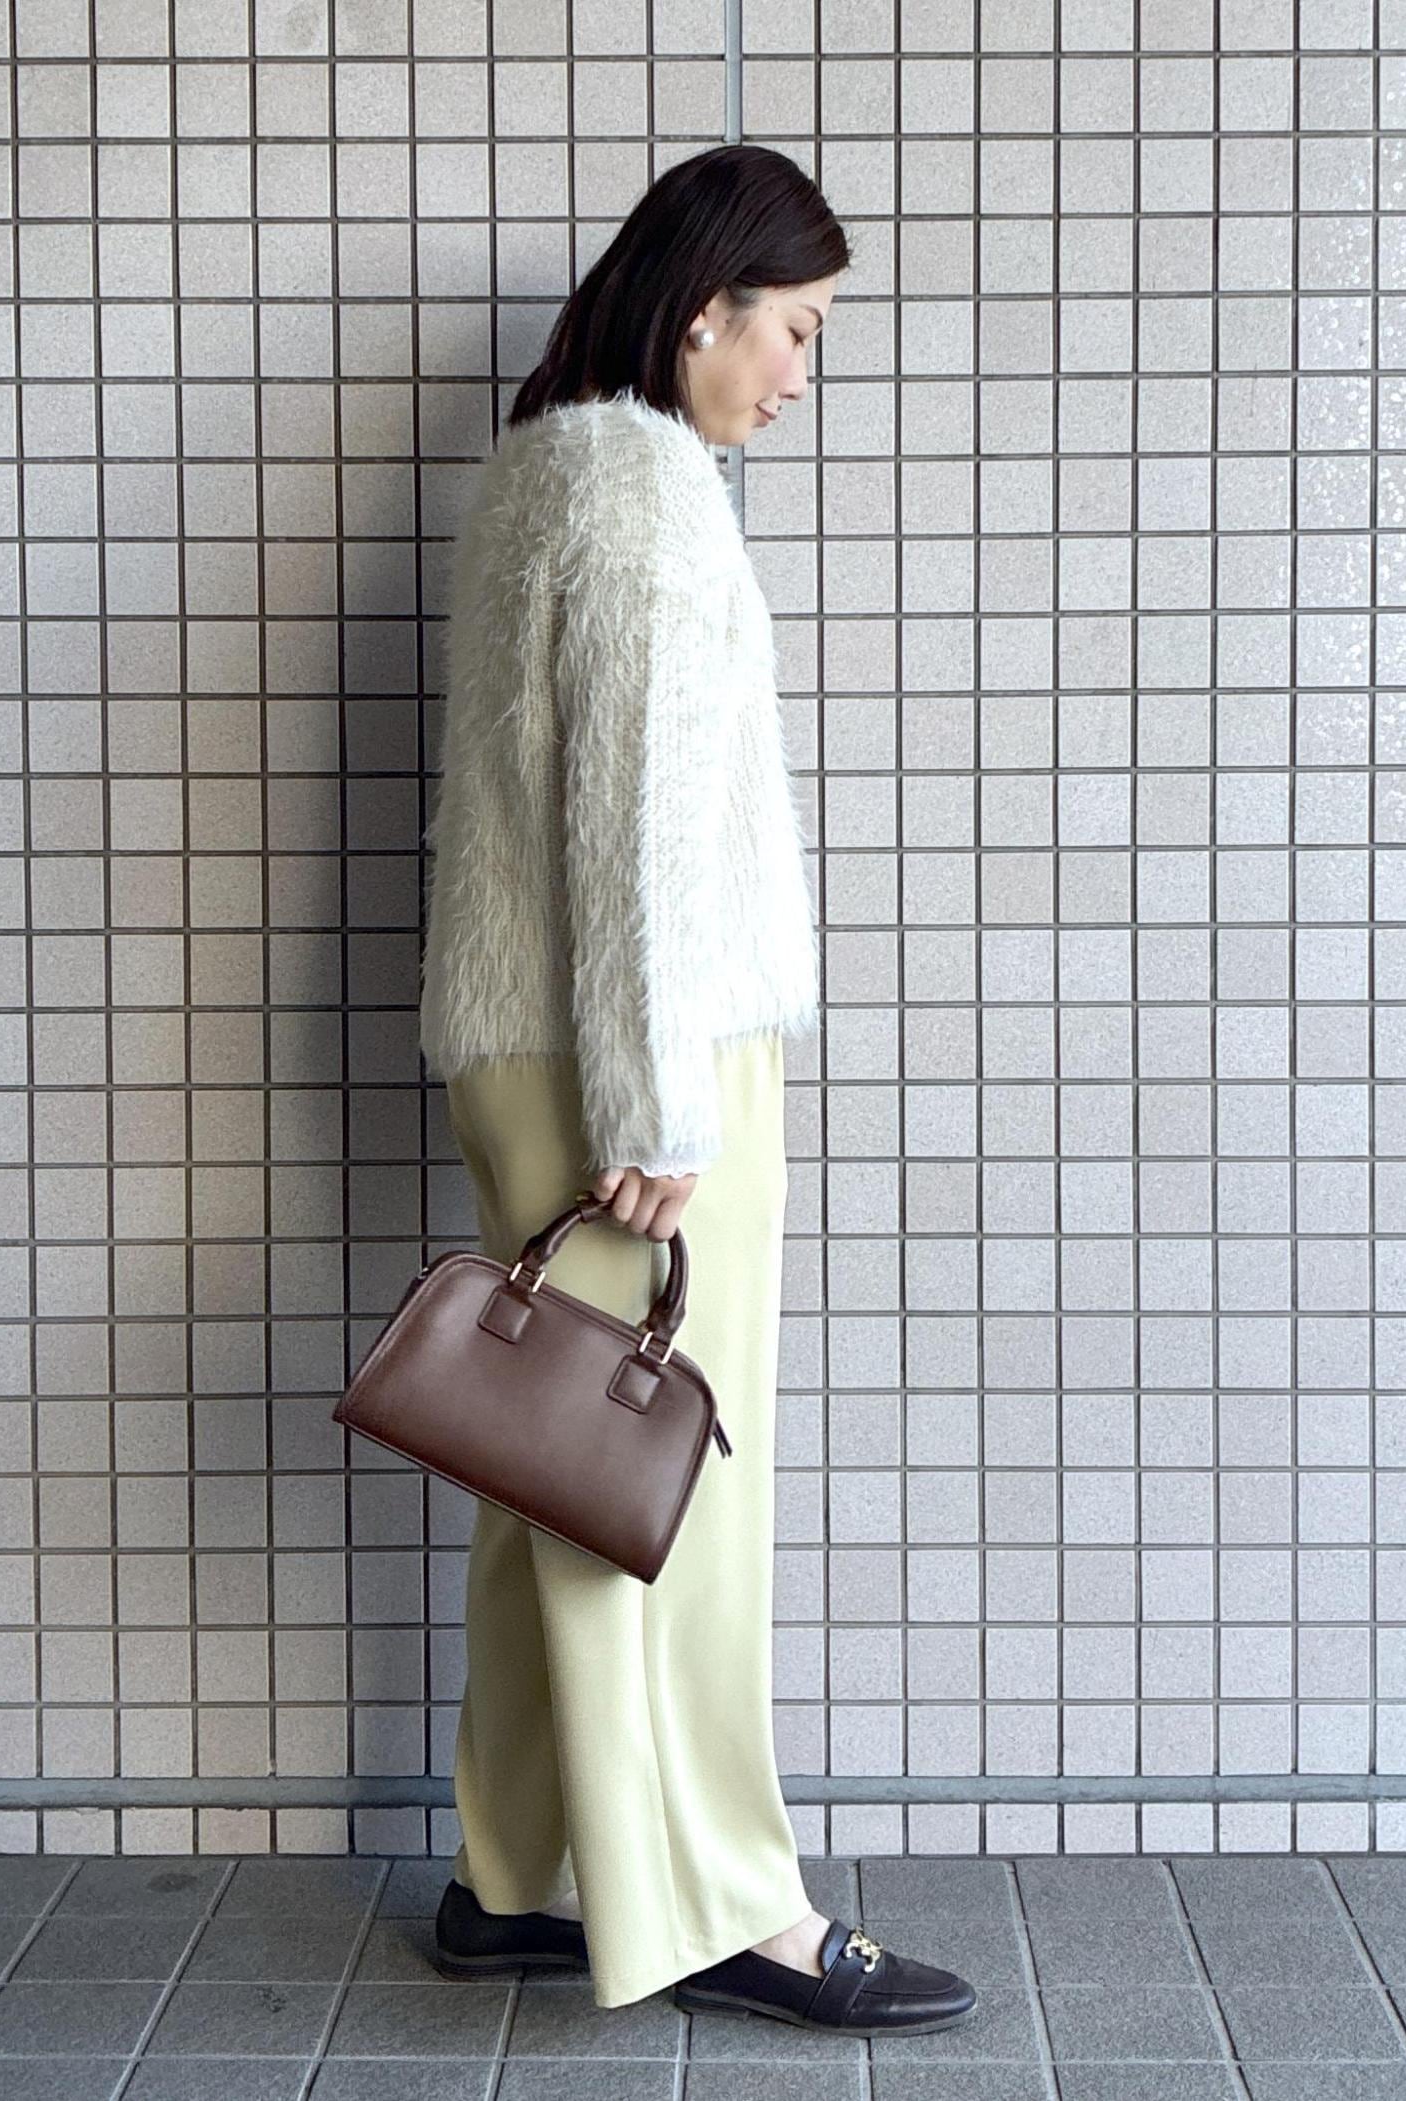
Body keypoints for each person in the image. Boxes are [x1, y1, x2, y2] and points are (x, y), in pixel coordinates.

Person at [416, 142, 978, 2037]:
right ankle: (729, 1903)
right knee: (662, 1490)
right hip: (633, 1051)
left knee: (552, 1461)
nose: (801, 374)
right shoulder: (644, 492)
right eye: (792, 330)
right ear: (701, 311)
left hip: (533, 1039)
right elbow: (640, 821)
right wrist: (658, 1104)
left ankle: (511, 1875)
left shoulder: (543, 470)